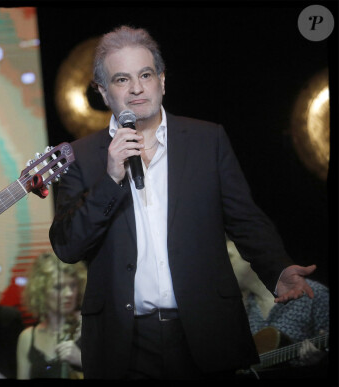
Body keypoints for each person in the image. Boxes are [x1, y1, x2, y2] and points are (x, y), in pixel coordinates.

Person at [49, 25, 317, 380]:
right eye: (121, 79)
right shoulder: (79, 157)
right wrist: (111, 178)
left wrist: (277, 269)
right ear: (102, 91)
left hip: (206, 329)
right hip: (124, 342)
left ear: (162, 80)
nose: (137, 88)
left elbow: (244, 218)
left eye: (146, 75)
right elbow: (68, 245)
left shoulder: (207, 139)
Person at [227, 240, 329, 375]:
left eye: (229, 257)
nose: (221, 266)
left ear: (253, 258)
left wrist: (320, 362)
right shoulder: (240, 311)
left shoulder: (313, 294)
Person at [16, 251, 86, 379]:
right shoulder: (28, 338)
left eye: (73, 285)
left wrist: (82, 361)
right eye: (59, 287)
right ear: (42, 291)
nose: (69, 293)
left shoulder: (87, 328)